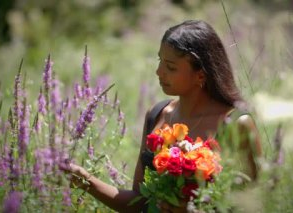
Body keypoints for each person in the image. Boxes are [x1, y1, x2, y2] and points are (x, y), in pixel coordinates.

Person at [64, 20, 262, 213]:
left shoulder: (236, 124)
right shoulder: (157, 114)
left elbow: (254, 205)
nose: (159, 72)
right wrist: (84, 179)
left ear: (201, 75)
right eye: (160, 61)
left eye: (171, 67)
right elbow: (138, 200)